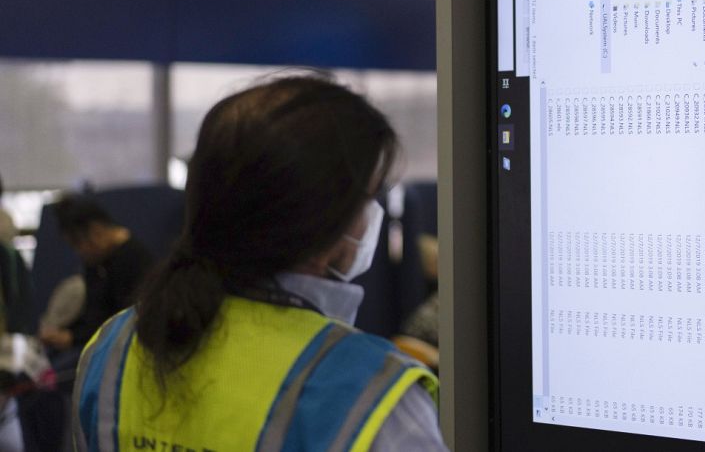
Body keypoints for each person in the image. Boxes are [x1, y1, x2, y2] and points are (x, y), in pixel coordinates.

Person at [72, 75, 446, 450]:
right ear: (324, 221)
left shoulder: (111, 353)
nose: (371, 216)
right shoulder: (370, 398)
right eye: (367, 198)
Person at [44, 195, 153, 351]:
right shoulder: (96, 264)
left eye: (77, 244)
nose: (78, 252)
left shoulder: (135, 260)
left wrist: (73, 338)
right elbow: (94, 315)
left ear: (96, 232)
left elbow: (123, 323)